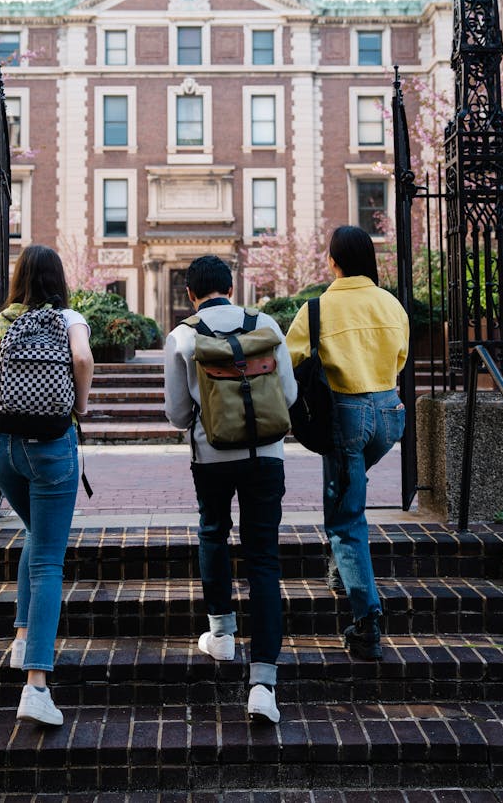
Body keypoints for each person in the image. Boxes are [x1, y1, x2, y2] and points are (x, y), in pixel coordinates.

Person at [164, 254, 297, 724]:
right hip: (267, 456)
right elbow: (290, 395)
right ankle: (263, 684)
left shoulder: (183, 335)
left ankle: (221, 635)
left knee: (213, 532)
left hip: (212, 456)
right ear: (232, 286)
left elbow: (178, 414)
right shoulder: (266, 324)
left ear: (190, 293)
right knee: (264, 558)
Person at [0, 244, 94, 726]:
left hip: (0, 451)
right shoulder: (69, 320)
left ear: (18, 278)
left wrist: (1, 426)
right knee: (48, 559)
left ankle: (22, 635)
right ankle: (36, 686)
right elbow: (82, 360)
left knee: (34, 535)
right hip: (50, 448)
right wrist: (78, 408)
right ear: (58, 280)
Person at [286, 226, 409, 660]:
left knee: (346, 519)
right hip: (391, 415)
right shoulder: (391, 303)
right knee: (348, 487)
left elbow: (290, 362)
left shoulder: (317, 309)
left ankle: (366, 620)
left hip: (346, 414)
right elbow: (400, 358)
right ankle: (341, 570)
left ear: (333, 261)